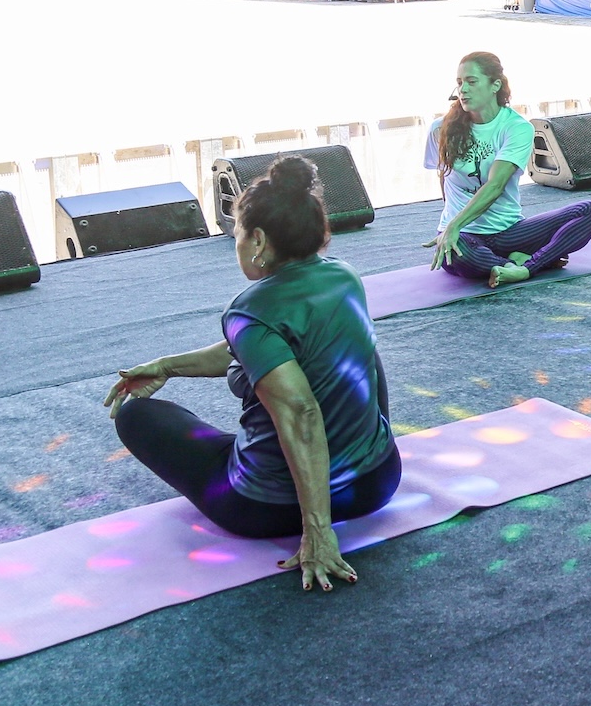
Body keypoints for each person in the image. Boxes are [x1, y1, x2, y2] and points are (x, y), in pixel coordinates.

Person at [103, 156, 401, 590]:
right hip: (376, 483)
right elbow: (254, 348)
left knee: (138, 416)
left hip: (267, 507)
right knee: (357, 352)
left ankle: (312, 511)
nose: (237, 243)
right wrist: (167, 366)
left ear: (258, 239)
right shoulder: (344, 277)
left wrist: (317, 531)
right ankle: (350, 460)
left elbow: (301, 413)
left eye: (238, 233)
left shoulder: (250, 309)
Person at [423, 52, 591, 288]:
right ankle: (518, 263)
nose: (463, 90)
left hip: (509, 232)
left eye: (471, 81)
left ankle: (524, 268)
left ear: (495, 85)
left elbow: (496, 185)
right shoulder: (439, 129)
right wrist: (451, 226)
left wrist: (453, 225)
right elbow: (443, 177)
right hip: (465, 235)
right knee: (457, 253)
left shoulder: (516, 127)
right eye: (459, 83)